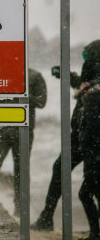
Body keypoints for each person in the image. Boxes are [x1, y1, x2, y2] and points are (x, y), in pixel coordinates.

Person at [31, 39, 100, 231]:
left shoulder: (94, 70)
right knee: (69, 175)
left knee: (89, 187)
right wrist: (68, 76)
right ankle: (47, 217)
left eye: (87, 55)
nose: (85, 58)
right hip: (82, 135)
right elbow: (85, 85)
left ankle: (49, 218)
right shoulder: (93, 73)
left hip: (91, 137)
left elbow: (89, 87)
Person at [0, 68, 47, 214]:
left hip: (23, 129)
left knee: (21, 170)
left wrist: (20, 94)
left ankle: (20, 208)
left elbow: (41, 101)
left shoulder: (34, 76)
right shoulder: (1, 74)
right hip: (0, 127)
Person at [79, 75, 100, 240]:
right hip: (95, 154)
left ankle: (95, 233)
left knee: (85, 194)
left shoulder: (93, 99)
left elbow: (90, 129)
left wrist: (85, 149)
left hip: (94, 156)